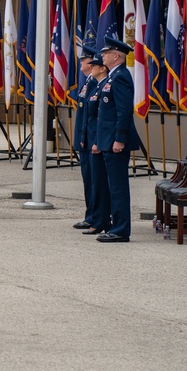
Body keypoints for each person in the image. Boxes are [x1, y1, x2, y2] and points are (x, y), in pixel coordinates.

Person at [92, 36, 141, 243]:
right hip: (107, 140)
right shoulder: (112, 76)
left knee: (118, 186)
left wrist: (119, 139)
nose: (101, 56)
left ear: (115, 56)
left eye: (105, 53)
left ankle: (121, 229)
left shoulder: (120, 76)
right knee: (113, 185)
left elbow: (123, 111)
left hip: (115, 142)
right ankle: (115, 225)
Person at [82, 51, 112, 236]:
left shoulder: (105, 85)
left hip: (99, 141)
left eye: (95, 65)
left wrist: (96, 141)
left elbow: (103, 118)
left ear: (103, 68)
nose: (91, 67)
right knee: (94, 182)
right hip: (93, 139)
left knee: (100, 183)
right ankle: (96, 218)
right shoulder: (96, 85)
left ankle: (101, 219)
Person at [70, 46, 98, 230]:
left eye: (83, 60)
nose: (81, 63)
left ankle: (95, 217)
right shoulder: (88, 81)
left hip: (91, 141)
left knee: (94, 182)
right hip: (84, 140)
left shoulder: (96, 82)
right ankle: (90, 216)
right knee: (88, 181)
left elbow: (94, 117)